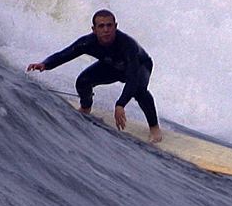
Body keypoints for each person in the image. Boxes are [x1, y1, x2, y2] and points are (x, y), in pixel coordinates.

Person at [27, 10, 163, 143]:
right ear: (94, 29)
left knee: (139, 91)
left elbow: (132, 78)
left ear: (115, 27)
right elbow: (65, 54)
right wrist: (45, 64)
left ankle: (154, 127)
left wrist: (120, 104)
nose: (106, 30)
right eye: (101, 26)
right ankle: (86, 107)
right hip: (112, 65)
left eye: (109, 25)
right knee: (83, 81)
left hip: (140, 66)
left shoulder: (127, 44)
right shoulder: (88, 42)